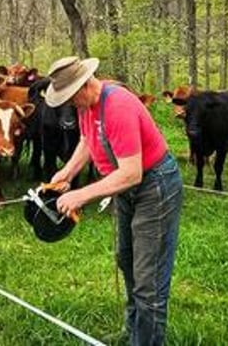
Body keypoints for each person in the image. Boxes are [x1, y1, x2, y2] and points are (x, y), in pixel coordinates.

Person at [45, 56, 183, 346]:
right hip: (125, 188)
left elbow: (131, 174)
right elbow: (87, 138)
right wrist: (67, 173)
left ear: (83, 86)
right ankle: (134, 330)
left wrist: (81, 195)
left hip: (153, 186)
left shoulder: (117, 106)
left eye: (71, 98)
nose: (71, 105)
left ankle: (146, 341)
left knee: (149, 279)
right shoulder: (87, 105)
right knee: (127, 260)